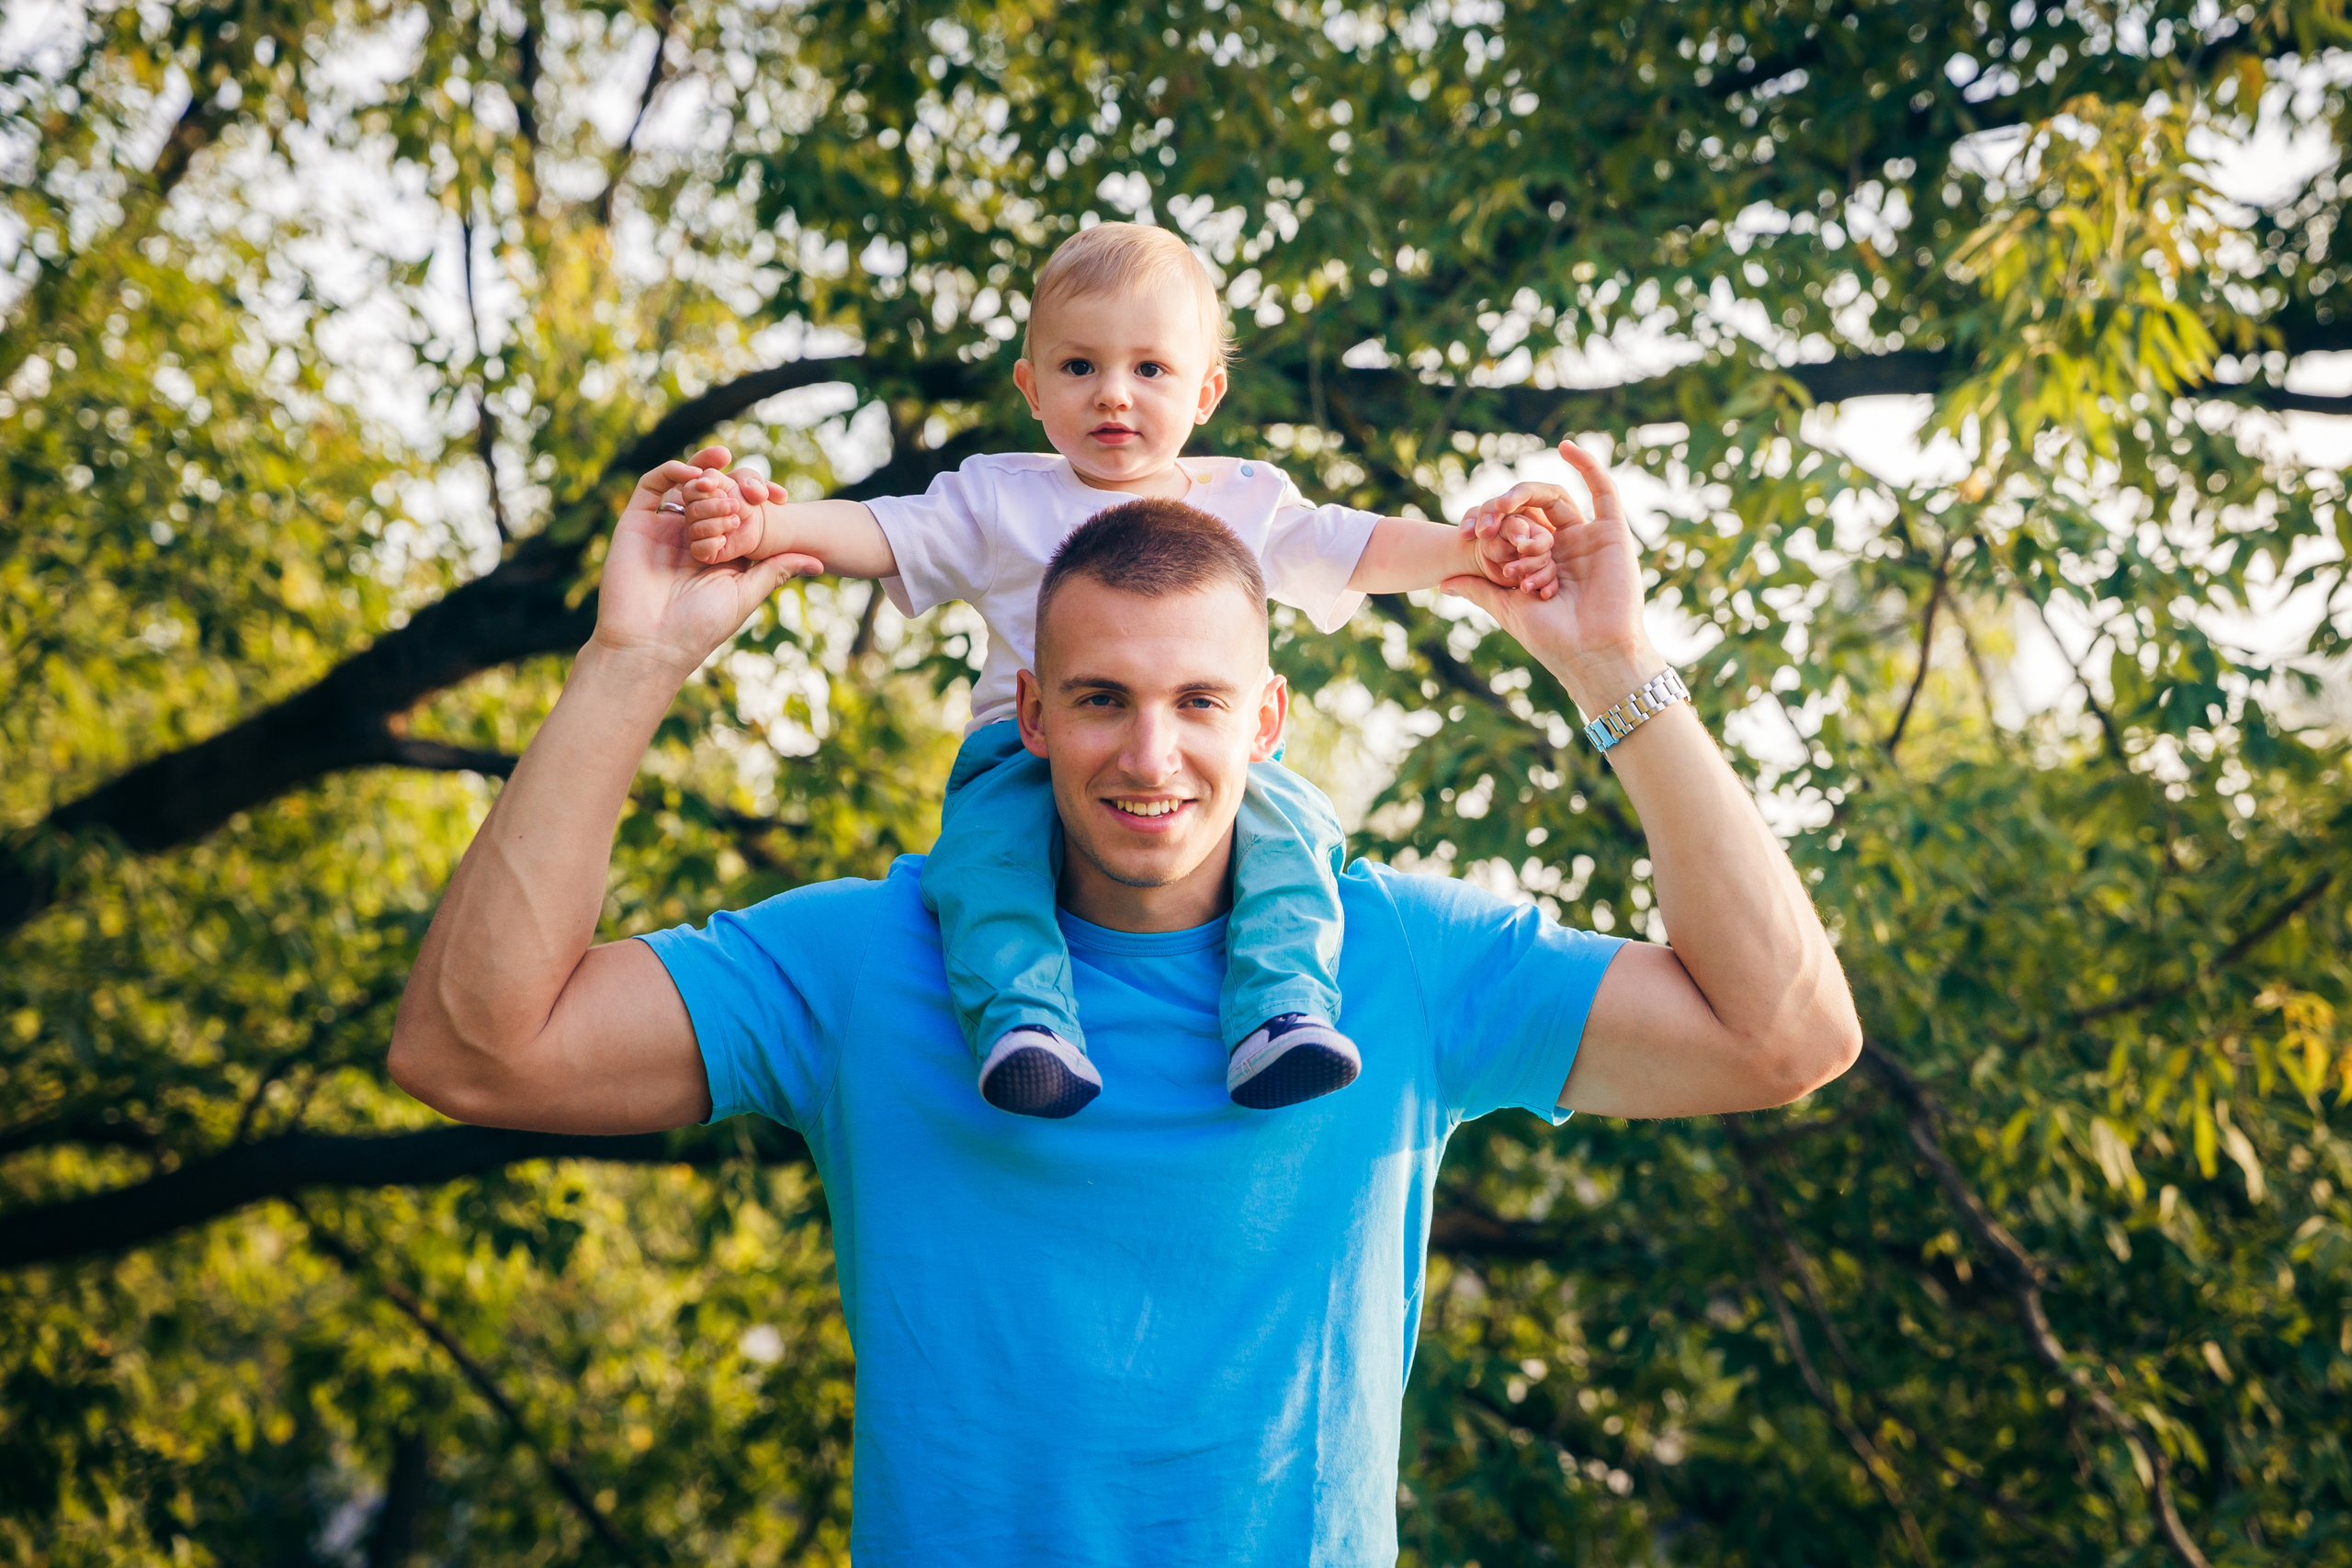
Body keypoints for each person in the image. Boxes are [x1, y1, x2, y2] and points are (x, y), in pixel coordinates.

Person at [388, 436, 1863, 1565]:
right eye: (1099, 696)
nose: (1150, 753)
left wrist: (1618, 666)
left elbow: (1785, 1032)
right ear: (1026, 709)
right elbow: (473, 1048)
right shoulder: (863, 962)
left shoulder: (1400, 955)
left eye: (1201, 701)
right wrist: (630, 663)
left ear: (1267, 718)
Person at [671, 221, 1559, 1118]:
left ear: (1207, 390)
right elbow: (881, 529)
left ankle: (1279, 1010)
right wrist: (767, 529)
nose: (1113, 396)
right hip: (1018, 751)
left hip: (1213, 761)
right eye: (1079, 367)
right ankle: (1025, 1025)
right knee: (987, 864)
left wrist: (1468, 549)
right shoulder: (999, 496)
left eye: (1150, 370)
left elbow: (1354, 546)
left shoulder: (1244, 498)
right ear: (1030, 386)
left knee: (1296, 833)